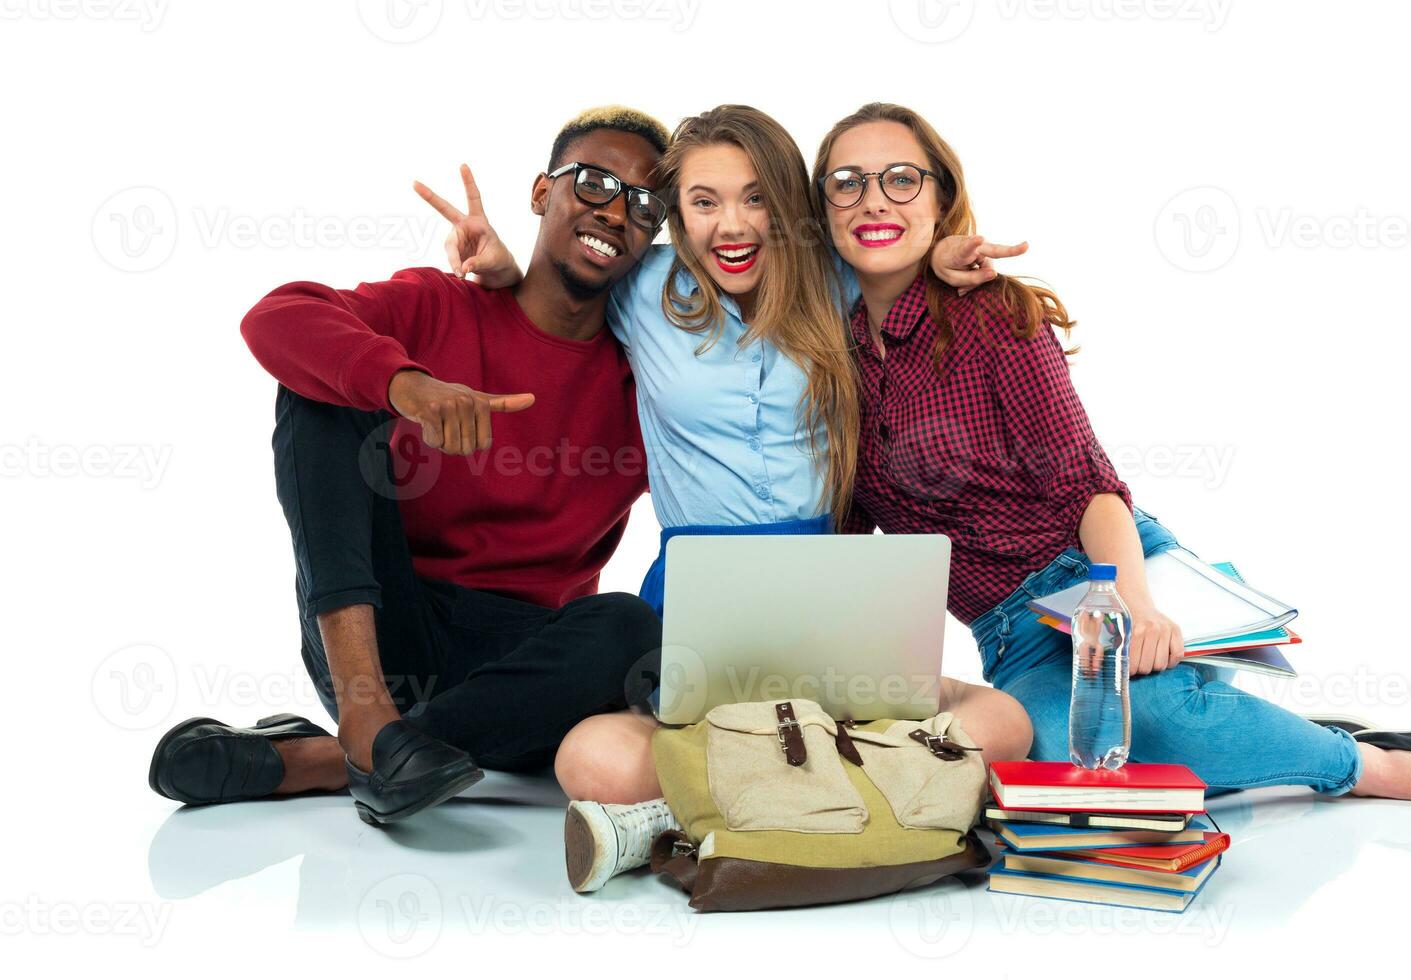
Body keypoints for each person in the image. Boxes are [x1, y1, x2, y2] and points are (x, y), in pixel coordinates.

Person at [813, 102, 1411, 808]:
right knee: (1065, 767)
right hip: (1012, 633)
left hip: (1095, 570)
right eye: (847, 183)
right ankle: (1259, 741)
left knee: (1157, 722)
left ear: (940, 197)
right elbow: (854, 543)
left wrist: (1130, 607)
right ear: (822, 211)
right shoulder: (825, 356)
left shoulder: (995, 316)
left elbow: (1089, 487)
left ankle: (1369, 764)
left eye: (901, 179)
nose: (873, 199)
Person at [432, 104, 1035, 891]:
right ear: (677, 213)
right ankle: (847, 796)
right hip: (693, 601)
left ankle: (679, 817)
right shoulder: (642, 287)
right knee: (590, 760)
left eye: (755, 198)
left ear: (786, 204)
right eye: (705, 201)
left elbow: (904, 253)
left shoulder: (834, 277)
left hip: (830, 598)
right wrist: (508, 267)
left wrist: (945, 254)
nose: (732, 225)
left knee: (1008, 724)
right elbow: (564, 288)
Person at [147, 107, 674, 826]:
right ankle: (366, 722)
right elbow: (277, 315)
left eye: (644, 204)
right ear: (541, 193)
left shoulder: (649, 385)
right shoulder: (441, 304)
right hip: (381, 632)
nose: (615, 212)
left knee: (628, 628)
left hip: (522, 670)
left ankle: (329, 760)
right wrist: (405, 384)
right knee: (323, 385)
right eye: (593, 183)